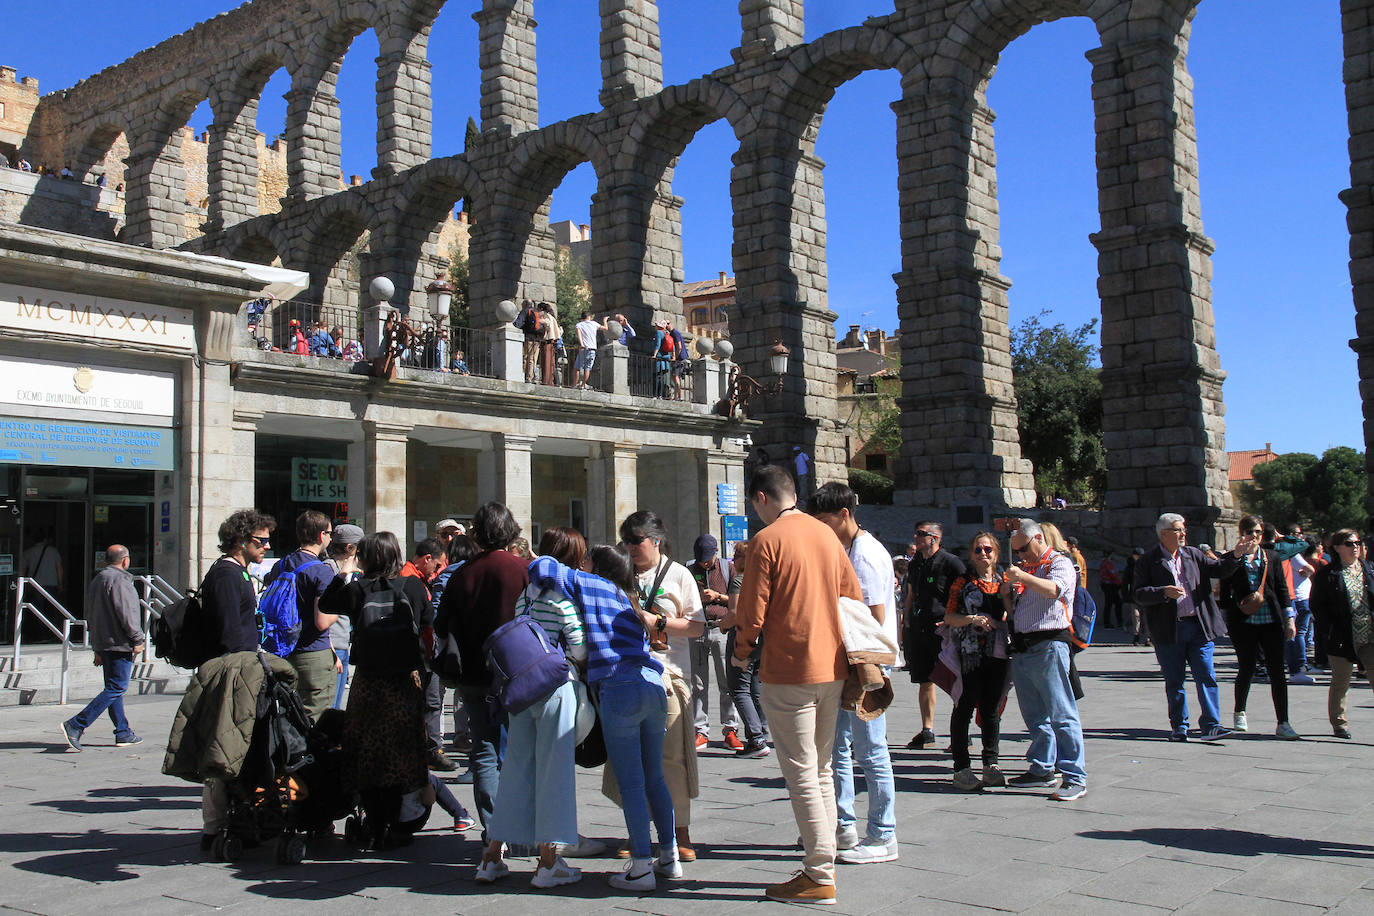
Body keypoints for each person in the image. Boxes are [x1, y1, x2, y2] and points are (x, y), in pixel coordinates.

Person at [733, 465, 862, 905]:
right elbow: (853, 597)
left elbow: (751, 613)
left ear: (762, 498)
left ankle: (818, 871)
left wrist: (742, 650)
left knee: (802, 772)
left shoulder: (766, 541)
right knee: (822, 768)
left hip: (789, 668)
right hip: (834, 667)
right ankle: (824, 859)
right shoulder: (827, 535)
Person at [526, 544, 678, 892]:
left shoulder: (591, 584)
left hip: (618, 685)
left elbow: (546, 571)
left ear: (599, 566)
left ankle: (641, 866)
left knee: (632, 782)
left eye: (588, 560)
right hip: (652, 683)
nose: (582, 564)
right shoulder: (628, 598)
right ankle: (669, 857)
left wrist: (535, 557)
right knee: (655, 775)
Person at [476, 527, 588, 888]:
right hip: (556, 686)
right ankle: (548, 861)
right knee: (554, 772)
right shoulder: (561, 595)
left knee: (516, 771)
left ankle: (492, 855)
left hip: (522, 690)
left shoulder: (527, 594)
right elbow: (580, 647)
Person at [318, 531, 432, 848]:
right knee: (402, 750)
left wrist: (343, 574)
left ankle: (375, 822)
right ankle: (400, 824)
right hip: (404, 681)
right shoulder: (410, 586)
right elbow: (427, 621)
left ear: (365, 557)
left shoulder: (358, 589)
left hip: (369, 681)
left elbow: (327, 604)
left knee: (368, 752)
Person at [809, 482, 899, 864]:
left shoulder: (864, 554)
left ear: (844, 515)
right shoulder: (848, 547)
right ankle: (843, 826)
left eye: (826, 521)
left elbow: (874, 616)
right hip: (849, 663)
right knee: (839, 749)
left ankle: (883, 833)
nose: (822, 528)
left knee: (871, 751)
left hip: (865, 664)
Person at [613, 510, 704, 861]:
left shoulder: (679, 574)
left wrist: (660, 621)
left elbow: (697, 626)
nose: (631, 547)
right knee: (629, 757)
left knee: (672, 758)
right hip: (627, 672)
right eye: (626, 541)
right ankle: (636, 830)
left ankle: (680, 830)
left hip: (669, 674)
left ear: (656, 540)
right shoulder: (621, 574)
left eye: (636, 540)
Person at [434, 501, 529, 840]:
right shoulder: (521, 570)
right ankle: (521, 827)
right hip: (518, 673)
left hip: (474, 673)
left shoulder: (462, 573)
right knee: (521, 750)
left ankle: (494, 833)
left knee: (485, 752)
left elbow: (441, 624)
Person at [197, 509, 276, 850]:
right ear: (241, 541)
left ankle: (242, 816)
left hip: (243, 667)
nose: (267, 546)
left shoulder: (239, 573)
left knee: (240, 749)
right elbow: (231, 630)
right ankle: (215, 827)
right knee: (226, 749)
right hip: (232, 671)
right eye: (261, 540)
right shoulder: (227, 575)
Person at [1134, 513, 1251, 742]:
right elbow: (1137, 594)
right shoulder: (1148, 561)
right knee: (1174, 680)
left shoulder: (1194, 555)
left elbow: (1219, 569)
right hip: (1169, 630)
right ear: (1164, 533)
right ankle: (1179, 725)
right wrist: (1162, 592)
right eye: (1178, 530)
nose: (1183, 533)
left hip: (1198, 627)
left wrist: (1236, 555)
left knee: (1206, 675)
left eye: (1184, 529)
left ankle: (1211, 725)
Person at [1001, 520, 1087, 800]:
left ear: (1038, 537)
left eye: (1025, 549)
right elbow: (1015, 609)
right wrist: (1006, 594)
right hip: (1024, 647)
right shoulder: (1027, 568)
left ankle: (1075, 775)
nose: (1023, 555)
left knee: (1062, 713)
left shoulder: (1059, 562)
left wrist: (1023, 578)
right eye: (1018, 551)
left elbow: (1055, 590)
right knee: (1034, 714)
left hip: (1050, 644)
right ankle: (1042, 767)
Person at [941, 532, 1011, 792]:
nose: (984, 554)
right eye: (978, 550)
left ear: (996, 553)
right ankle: (961, 767)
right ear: (971, 555)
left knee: (992, 708)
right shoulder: (963, 582)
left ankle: (991, 763)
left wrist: (1006, 596)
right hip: (970, 653)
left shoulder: (1004, 579)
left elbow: (1011, 613)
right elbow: (949, 616)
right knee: (965, 706)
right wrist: (972, 620)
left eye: (988, 550)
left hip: (999, 651)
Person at [1220, 515, 1299, 739]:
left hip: (1270, 620)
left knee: (1277, 671)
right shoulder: (1232, 558)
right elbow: (1224, 591)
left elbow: (1282, 589)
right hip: (1243, 621)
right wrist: (1225, 620)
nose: (1254, 536)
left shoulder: (1271, 557)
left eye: (1257, 532)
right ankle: (1240, 711)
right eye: (1249, 532)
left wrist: (1289, 618)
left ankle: (1283, 721)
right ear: (1241, 533)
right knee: (1247, 667)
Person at [61, 545, 144, 751]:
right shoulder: (121, 580)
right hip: (119, 642)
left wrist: (96, 647)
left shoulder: (98, 579)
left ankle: (123, 732)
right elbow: (127, 612)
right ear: (125, 560)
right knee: (117, 687)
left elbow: (91, 613)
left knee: (113, 688)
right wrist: (137, 638)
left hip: (104, 642)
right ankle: (76, 724)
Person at [261, 510, 339, 720]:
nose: (331, 538)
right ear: (321, 535)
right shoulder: (322, 571)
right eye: (330, 533)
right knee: (313, 716)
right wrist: (339, 610)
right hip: (312, 653)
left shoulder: (281, 564)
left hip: (282, 649)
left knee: (286, 713)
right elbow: (322, 621)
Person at [901, 520, 965, 749]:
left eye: (921, 534)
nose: (916, 538)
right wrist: (906, 617)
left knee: (954, 680)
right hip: (919, 628)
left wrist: (955, 618)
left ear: (934, 538)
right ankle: (927, 730)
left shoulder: (951, 562)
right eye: (916, 533)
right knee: (924, 679)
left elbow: (965, 591)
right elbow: (910, 592)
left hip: (944, 629)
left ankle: (961, 732)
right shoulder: (916, 562)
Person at [1311, 528, 1374, 738]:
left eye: (1357, 542)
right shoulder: (1328, 574)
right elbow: (1318, 607)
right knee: (1341, 680)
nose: (1355, 547)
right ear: (1337, 548)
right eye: (1349, 543)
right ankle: (1339, 723)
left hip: (1369, 634)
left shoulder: (1368, 569)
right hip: (1341, 635)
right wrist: (1329, 629)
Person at [400, 537, 452, 771]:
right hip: (422, 654)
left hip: (420, 653)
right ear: (427, 559)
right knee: (430, 703)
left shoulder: (417, 579)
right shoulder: (411, 582)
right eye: (438, 565)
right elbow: (423, 623)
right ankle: (431, 749)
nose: (439, 571)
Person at [686, 533, 741, 750]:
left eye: (708, 558)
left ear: (716, 553)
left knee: (726, 682)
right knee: (698, 684)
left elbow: (739, 598)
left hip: (722, 628)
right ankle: (700, 731)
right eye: (701, 559)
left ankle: (730, 730)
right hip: (697, 629)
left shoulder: (727, 569)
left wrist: (718, 597)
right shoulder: (689, 570)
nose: (704, 562)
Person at [719, 540, 769, 757]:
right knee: (755, 688)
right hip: (763, 639)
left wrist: (722, 625)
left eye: (736, 556)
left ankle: (756, 739)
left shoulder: (739, 580)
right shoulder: (763, 579)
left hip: (742, 638)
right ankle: (762, 731)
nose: (733, 560)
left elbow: (735, 614)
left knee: (738, 687)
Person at [322, 523, 364, 710]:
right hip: (333, 648)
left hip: (342, 645)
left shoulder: (346, 573)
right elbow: (323, 616)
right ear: (350, 548)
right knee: (331, 708)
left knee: (338, 706)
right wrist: (332, 653)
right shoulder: (329, 570)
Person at [1286, 541, 1318, 684]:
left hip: (1299, 597)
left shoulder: (1288, 555)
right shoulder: (1293, 555)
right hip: (1300, 597)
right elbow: (1310, 569)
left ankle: (1299, 664)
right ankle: (1300, 664)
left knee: (1299, 632)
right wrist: (1305, 573)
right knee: (1299, 632)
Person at [573, 311, 605, 389]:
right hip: (593, 349)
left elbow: (579, 335)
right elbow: (606, 328)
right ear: (589, 317)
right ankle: (583, 385)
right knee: (587, 368)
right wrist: (605, 320)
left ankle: (574, 385)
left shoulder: (579, 325)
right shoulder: (594, 324)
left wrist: (581, 344)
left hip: (584, 348)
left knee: (577, 368)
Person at [1099, 551, 1123, 630]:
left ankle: (1108, 622)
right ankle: (1116, 622)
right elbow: (1113, 574)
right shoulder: (1108, 563)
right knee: (1114, 603)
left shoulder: (1102, 563)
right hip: (1111, 585)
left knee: (1109, 604)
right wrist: (1120, 582)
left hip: (1105, 584)